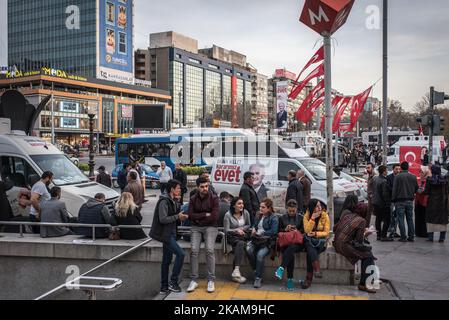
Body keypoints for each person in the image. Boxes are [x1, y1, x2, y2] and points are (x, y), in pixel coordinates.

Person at [150, 180, 189, 294]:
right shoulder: (164, 201)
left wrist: (178, 204)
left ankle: (164, 287)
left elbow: (175, 214)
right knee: (181, 254)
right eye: (178, 188)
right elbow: (163, 219)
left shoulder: (172, 200)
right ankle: (173, 282)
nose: (180, 190)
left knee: (166, 261)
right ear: (172, 189)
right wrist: (178, 216)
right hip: (165, 235)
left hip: (170, 233)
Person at [334, 198, 378, 294]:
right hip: (343, 246)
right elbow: (359, 242)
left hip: (337, 243)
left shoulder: (347, 215)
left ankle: (368, 281)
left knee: (368, 253)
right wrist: (366, 234)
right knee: (368, 255)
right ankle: (366, 283)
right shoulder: (361, 221)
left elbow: (336, 228)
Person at [187, 177, 219, 294]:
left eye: (206, 186)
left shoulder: (214, 198)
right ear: (197, 187)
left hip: (211, 227)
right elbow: (190, 215)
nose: (205, 188)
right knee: (194, 251)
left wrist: (199, 218)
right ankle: (194, 279)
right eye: (202, 187)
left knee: (209, 250)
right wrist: (205, 214)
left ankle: (211, 280)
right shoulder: (193, 198)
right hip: (196, 227)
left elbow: (214, 217)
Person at [246, 198, 279, 289]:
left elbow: (274, 231)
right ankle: (257, 270)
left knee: (260, 255)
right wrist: (253, 228)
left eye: (263, 207)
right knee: (248, 250)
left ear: (268, 208)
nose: (260, 209)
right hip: (256, 240)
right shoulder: (258, 215)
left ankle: (258, 277)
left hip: (266, 242)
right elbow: (255, 225)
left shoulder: (273, 217)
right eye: (260, 207)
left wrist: (262, 233)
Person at [300, 199, 330, 289]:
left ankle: (308, 279)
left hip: (320, 241)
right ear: (312, 207)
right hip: (309, 240)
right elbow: (307, 230)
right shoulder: (307, 216)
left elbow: (326, 232)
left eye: (320, 205)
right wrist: (312, 218)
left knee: (310, 253)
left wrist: (316, 234)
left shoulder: (325, 215)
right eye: (317, 206)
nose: (319, 207)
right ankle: (316, 270)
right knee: (309, 246)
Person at [275, 200, 305, 291]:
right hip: (285, 242)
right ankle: (289, 279)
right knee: (290, 252)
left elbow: (304, 231)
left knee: (291, 248)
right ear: (286, 209)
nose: (292, 212)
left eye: (293, 211)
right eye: (290, 211)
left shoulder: (301, 218)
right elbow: (278, 232)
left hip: (297, 243)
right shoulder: (281, 218)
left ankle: (281, 268)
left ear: (296, 209)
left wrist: (296, 231)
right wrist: (285, 229)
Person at [223, 197, 251, 284]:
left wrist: (242, 228)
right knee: (241, 244)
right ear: (233, 205)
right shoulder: (228, 215)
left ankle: (236, 272)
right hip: (232, 237)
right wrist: (236, 230)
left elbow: (248, 225)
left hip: (242, 235)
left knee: (240, 246)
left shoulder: (245, 213)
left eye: (242, 203)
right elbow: (226, 230)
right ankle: (236, 271)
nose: (241, 205)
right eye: (239, 203)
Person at [392, 162, 418, 242]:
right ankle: (411, 236)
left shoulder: (397, 177)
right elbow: (416, 188)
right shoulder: (413, 176)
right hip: (410, 200)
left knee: (401, 219)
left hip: (399, 201)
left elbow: (394, 189)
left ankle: (403, 237)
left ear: (401, 168)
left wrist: (393, 199)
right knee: (410, 219)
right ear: (408, 168)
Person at [424, 165, 448, 243]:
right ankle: (442, 238)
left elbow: (426, 192)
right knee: (442, 220)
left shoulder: (429, 180)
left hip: (432, 203)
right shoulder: (445, 180)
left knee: (430, 219)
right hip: (442, 203)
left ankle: (431, 237)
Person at [372, 166, 393, 242]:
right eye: (386, 170)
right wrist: (388, 203)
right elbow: (385, 194)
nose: (387, 172)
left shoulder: (375, 179)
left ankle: (378, 235)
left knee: (378, 219)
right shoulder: (384, 181)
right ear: (384, 171)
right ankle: (383, 235)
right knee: (387, 219)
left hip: (375, 202)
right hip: (382, 203)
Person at [415, 167, 431, 238]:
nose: (420, 173)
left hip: (425, 203)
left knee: (424, 218)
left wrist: (422, 191)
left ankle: (425, 233)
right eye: (420, 172)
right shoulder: (419, 180)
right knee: (418, 218)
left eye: (422, 172)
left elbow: (428, 191)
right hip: (418, 202)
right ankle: (418, 232)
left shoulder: (429, 180)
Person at [387, 164, 401, 239]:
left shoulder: (401, 177)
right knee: (391, 215)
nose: (398, 170)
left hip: (399, 200)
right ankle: (391, 229)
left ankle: (394, 230)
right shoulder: (389, 177)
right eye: (396, 169)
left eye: (399, 169)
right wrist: (394, 191)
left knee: (397, 216)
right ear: (393, 169)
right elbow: (388, 187)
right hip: (392, 199)